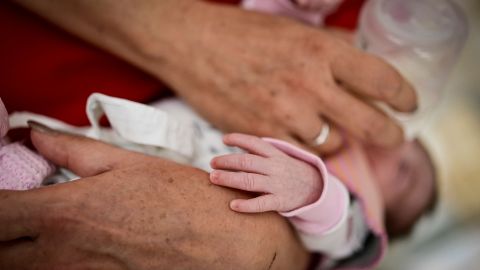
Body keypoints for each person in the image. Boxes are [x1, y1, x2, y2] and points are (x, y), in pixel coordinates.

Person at [0, 0, 418, 269]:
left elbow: (338, 229)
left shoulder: (356, 217)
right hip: (125, 133)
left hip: (135, 174)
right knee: (46, 148)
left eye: (407, 174)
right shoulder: (340, 99)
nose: (397, 148)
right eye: (413, 149)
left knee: (58, 193)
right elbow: (268, 38)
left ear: (387, 217)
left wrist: (312, 190)